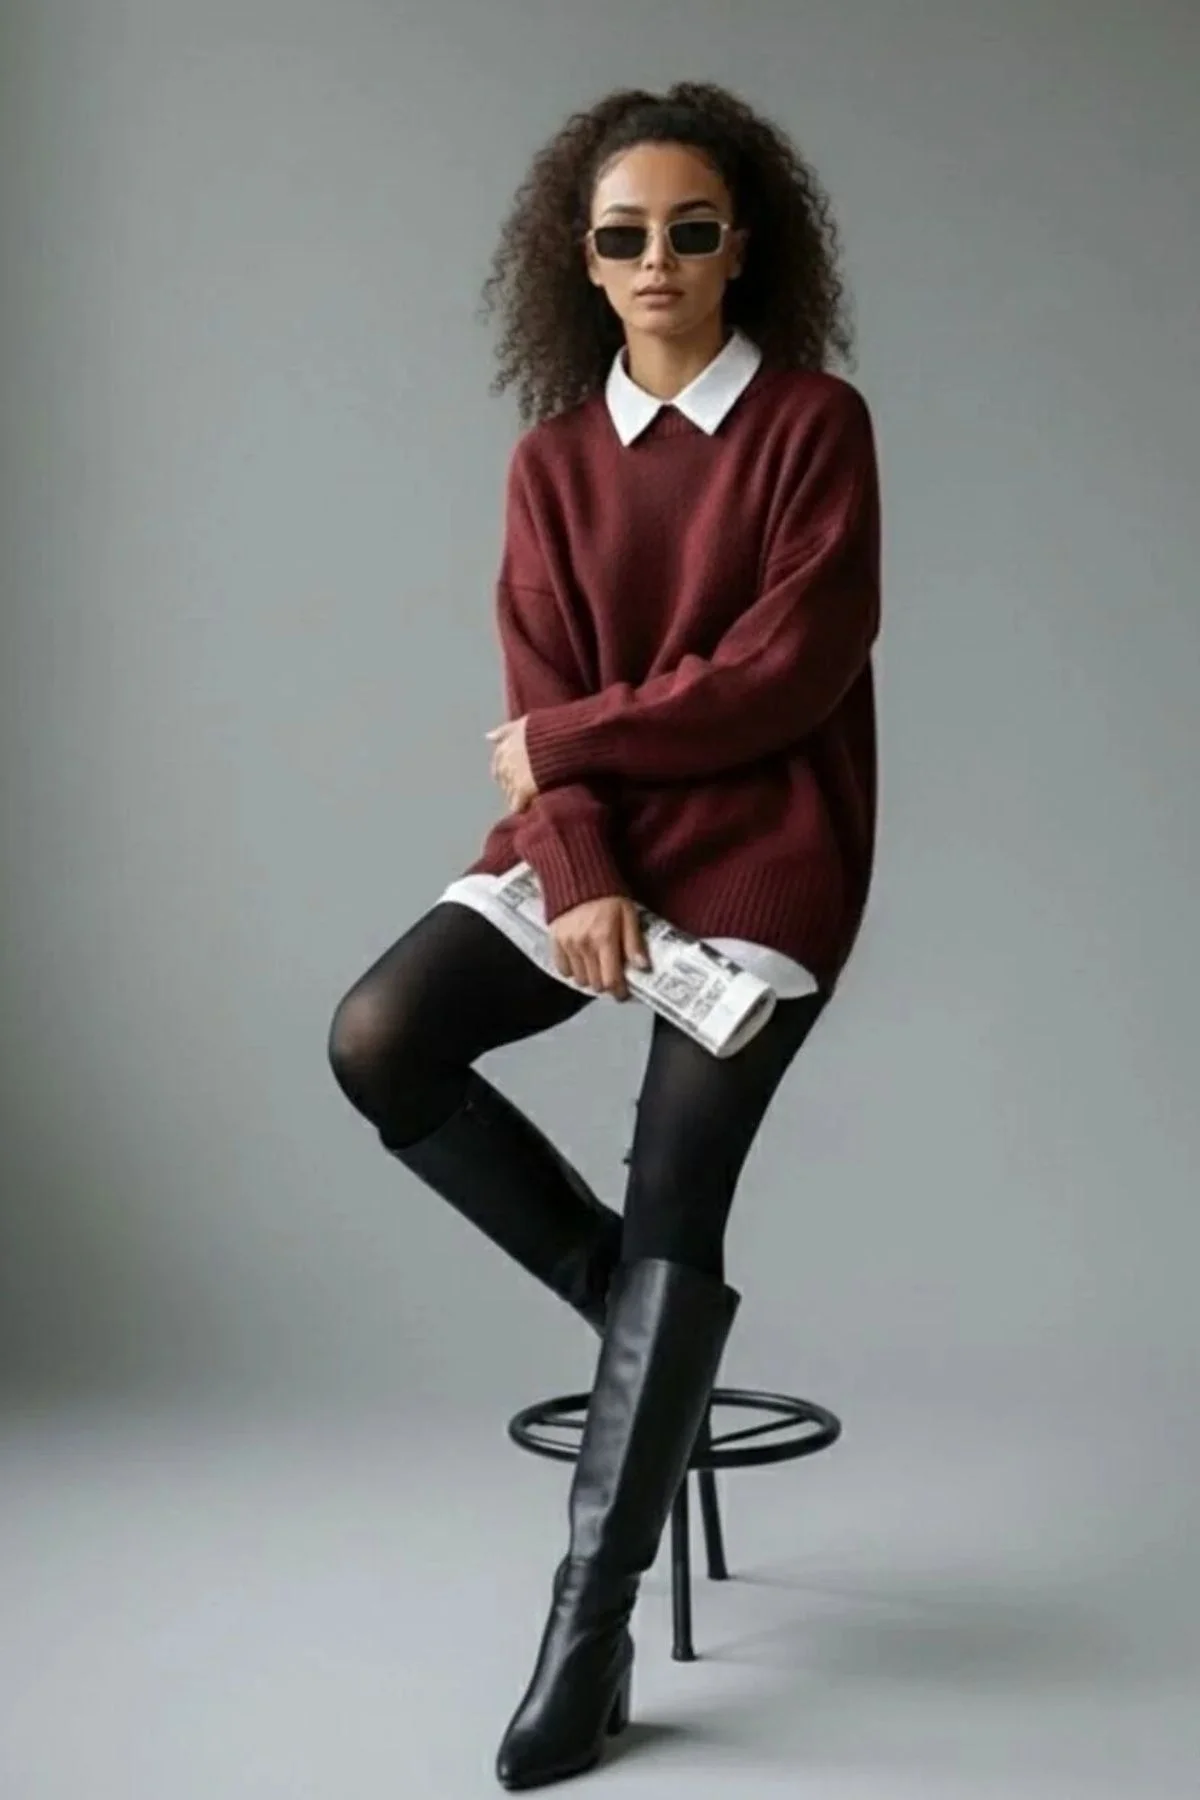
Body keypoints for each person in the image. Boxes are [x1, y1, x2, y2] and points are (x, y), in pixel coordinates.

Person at [328, 79, 881, 1790]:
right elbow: (537, 692)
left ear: (743, 247)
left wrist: (566, 748)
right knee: (381, 1039)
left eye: (691, 231)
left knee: (676, 1196)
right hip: (598, 847)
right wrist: (573, 869)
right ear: (578, 257)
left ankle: (587, 1634)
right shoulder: (553, 464)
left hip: (767, 850)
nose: (658, 261)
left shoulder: (812, 425)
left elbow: (784, 676)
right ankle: (638, 1327)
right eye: (624, 235)